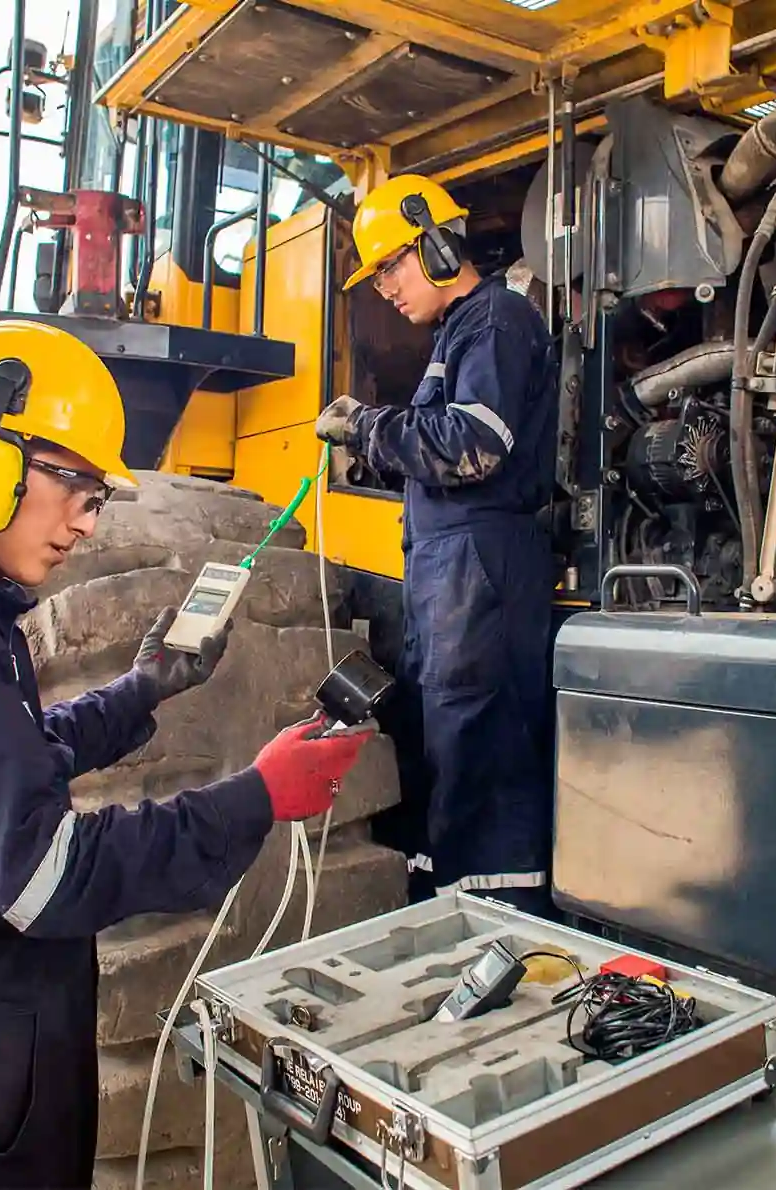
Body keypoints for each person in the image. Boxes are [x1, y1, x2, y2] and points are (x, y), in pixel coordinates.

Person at [0, 319, 370, 1190]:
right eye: (74, 484)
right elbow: (46, 874)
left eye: (97, 496)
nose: (87, 522)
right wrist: (258, 796)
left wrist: (141, 690)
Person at [313, 174, 559, 915]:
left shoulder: (496, 321)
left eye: (392, 264)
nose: (384, 287)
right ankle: (441, 902)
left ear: (441, 242)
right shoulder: (459, 335)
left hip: (480, 572)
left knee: (480, 749)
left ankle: (499, 927)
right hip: (450, 575)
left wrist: (366, 428)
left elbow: (476, 446)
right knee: (445, 743)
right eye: (377, 273)